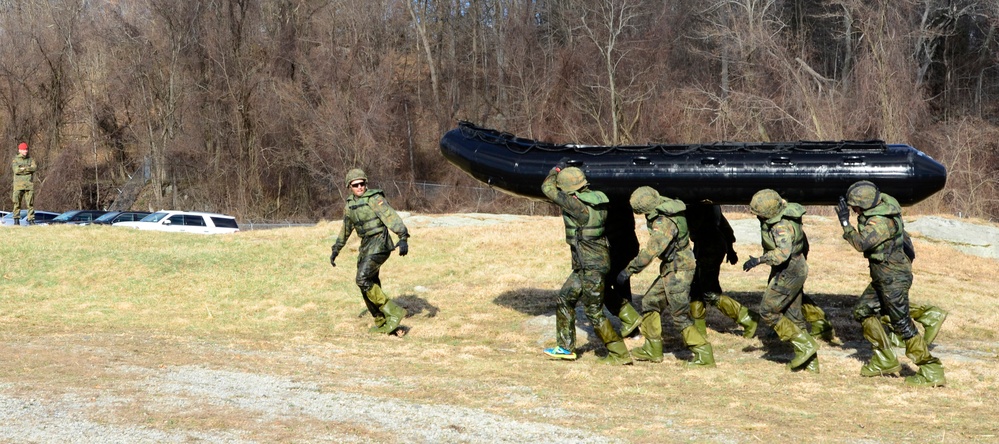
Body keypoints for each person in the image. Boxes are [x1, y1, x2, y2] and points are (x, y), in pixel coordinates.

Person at [836, 180, 945, 386]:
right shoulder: (884, 205)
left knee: (902, 323)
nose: (853, 210)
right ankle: (884, 360)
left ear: (865, 206)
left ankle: (931, 370)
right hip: (883, 276)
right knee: (863, 311)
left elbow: (861, 244)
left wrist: (845, 224)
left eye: (855, 207)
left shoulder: (881, 222)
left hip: (893, 278)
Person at [541, 165, 632, 365]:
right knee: (565, 299)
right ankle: (565, 348)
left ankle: (619, 352)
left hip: (590, 267)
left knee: (593, 311)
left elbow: (547, 189)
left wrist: (555, 170)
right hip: (592, 263)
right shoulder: (597, 200)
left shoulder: (577, 206)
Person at [616, 187, 715, 367]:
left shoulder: (664, 222)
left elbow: (650, 252)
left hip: (679, 270)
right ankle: (652, 348)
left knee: (679, 315)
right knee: (650, 301)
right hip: (673, 267)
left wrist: (628, 270)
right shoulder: (668, 207)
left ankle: (704, 354)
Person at [743, 189, 819, 373]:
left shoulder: (781, 226)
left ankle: (806, 345)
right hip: (796, 268)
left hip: (788, 272)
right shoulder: (789, 216)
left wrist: (758, 260)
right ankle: (810, 363)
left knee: (768, 311)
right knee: (794, 316)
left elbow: (782, 254)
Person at [329, 169, 409, 335]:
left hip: (380, 243)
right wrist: (336, 249)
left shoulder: (374, 199)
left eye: (362, 183)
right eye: (355, 185)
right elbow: (345, 229)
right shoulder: (350, 205)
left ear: (366, 183)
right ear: (349, 187)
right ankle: (382, 321)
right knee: (368, 283)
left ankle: (393, 311)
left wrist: (402, 237)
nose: (359, 187)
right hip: (366, 246)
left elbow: (390, 217)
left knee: (362, 278)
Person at [685, 203, 758, 338]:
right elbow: (725, 226)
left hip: (709, 247)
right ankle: (699, 330)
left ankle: (747, 318)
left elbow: (695, 228)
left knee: (710, 292)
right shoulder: (710, 203)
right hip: (709, 245)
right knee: (695, 288)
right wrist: (730, 249)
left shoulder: (696, 204)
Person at [11, 142, 37, 225]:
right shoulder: (15, 160)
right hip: (18, 186)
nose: (26, 151)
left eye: (26, 149)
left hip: (29, 185)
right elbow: (16, 170)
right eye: (24, 150)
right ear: (20, 150)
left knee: (30, 204)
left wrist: (23, 168)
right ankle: (16, 220)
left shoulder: (30, 159)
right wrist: (28, 169)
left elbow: (34, 168)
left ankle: (31, 220)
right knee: (16, 203)